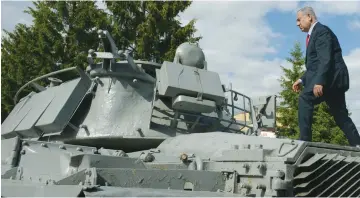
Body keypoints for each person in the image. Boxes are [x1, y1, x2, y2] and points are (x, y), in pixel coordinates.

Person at [292, 6, 360, 147]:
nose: (297, 24)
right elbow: (315, 65)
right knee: (340, 114)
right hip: (333, 80)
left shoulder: (321, 32)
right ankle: (357, 144)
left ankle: (304, 141)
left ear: (309, 17)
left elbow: (325, 59)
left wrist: (319, 82)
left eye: (299, 20)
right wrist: (301, 80)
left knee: (305, 98)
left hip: (331, 79)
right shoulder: (315, 33)